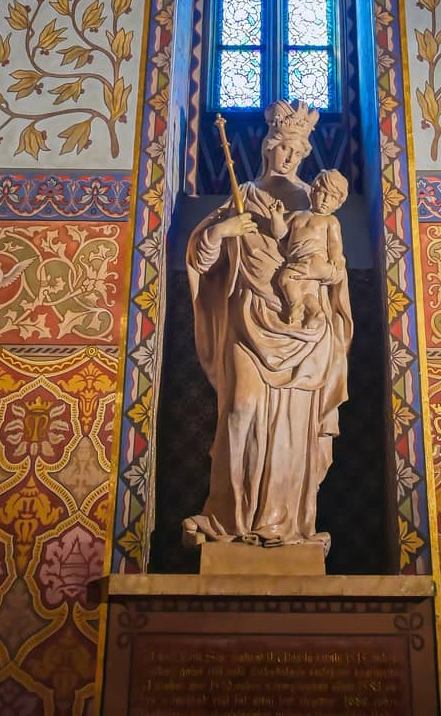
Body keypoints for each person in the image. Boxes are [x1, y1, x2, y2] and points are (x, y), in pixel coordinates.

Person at [183, 101, 353, 550]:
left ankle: (281, 525)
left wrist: (313, 277)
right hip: (247, 319)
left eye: (298, 150)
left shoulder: (320, 209)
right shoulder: (244, 197)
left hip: (305, 334)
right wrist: (222, 232)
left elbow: (338, 275)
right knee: (239, 412)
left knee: (292, 432)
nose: (290, 157)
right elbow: (201, 260)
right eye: (282, 148)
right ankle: (228, 520)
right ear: (267, 147)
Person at [272, 169, 348, 328]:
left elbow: (334, 243)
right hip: (299, 260)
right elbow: (280, 233)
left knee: (285, 278)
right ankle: (315, 312)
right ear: (312, 191)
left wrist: (335, 258)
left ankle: (295, 306)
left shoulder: (330, 221)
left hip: (315, 261)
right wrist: (277, 217)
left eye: (332, 197)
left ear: (338, 204)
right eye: (322, 193)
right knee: (307, 291)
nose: (326, 200)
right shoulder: (297, 215)